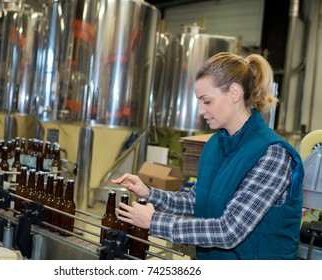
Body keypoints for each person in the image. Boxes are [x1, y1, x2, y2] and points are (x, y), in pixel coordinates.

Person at [111, 52, 304, 260]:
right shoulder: (214, 144)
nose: (201, 110)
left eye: (207, 101)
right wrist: (149, 193)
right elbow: (197, 202)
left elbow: (229, 231)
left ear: (234, 93)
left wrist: (154, 222)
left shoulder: (272, 153)